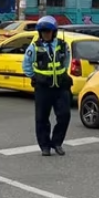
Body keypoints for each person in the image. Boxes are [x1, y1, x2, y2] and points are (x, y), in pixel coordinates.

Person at [22, 16, 72, 156]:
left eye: (48, 31)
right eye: (43, 31)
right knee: (42, 118)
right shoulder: (34, 47)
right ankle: (45, 146)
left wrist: (62, 74)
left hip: (60, 87)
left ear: (54, 32)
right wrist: (35, 77)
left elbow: (66, 61)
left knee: (64, 116)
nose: (46, 34)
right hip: (43, 88)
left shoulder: (63, 45)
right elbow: (26, 65)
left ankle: (57, 143)